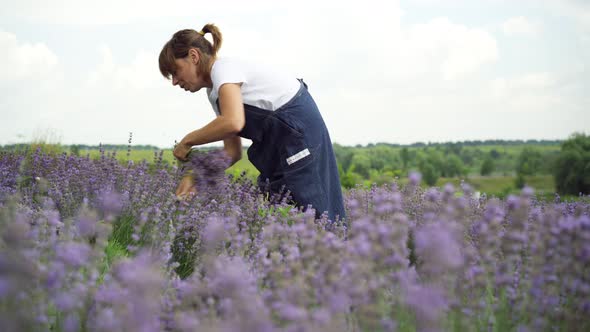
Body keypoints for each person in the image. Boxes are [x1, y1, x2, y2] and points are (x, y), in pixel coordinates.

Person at [159, 23, 345, 221]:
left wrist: (188, 140)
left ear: (194, 56)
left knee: (316, 217)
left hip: (298, 135)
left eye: (176, 71)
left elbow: (233, 122)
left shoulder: (224, 70)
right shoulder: (215, 93)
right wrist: (196, 174)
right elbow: (232, 153)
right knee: (280, 217)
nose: (175, 82)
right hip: (280, 144)